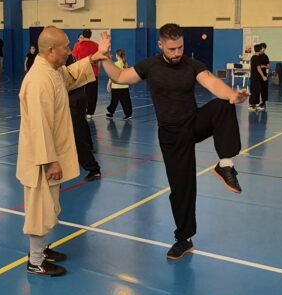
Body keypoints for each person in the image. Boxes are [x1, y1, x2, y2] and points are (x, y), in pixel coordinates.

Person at [97, 23, 249, 261]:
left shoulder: (191, 65)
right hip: (171, 135)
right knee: (182, 189)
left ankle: (225, 165)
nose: (177, 53)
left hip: (193, 123)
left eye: (180, 47)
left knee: (223, 105)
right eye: (171, 49)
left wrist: (233, 95)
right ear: (161, 45)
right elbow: (119, 76)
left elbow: (211, 81)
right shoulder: (150, 66)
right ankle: (184, 239)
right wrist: (103, 56)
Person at [16, 26, 110, 277]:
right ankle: (35, 261)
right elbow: (39, 126)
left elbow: (69, 76)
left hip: (48, 155)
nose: (69, 51)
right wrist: (50, 161)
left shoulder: (53, 71)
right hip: (40, 160)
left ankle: (42, 249)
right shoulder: (38, 80)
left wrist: (94, 58)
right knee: (39, 210)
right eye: (66, 47)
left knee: (48, 206)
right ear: (51, 50)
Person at [67, 53, 102, 182]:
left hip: (74, 99)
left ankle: (93, 168)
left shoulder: (65, 59)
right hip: (78, 97)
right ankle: (89, 146)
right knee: (81, 126)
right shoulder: (70, 58)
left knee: (77, 135)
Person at [72, 29, 100, 119]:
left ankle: (81, 110)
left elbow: (74, 59)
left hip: (81, 72)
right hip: (93, 72)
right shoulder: (96, 45)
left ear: (83, 35)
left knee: (80, 92)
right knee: (92, 93)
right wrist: (98, 69)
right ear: (90, 35)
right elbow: (98, 59)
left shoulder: (77, 45)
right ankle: (90, 112)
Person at [105, 49, 133, 120]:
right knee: (126, 101)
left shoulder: (116, 64)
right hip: (124, 86)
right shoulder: (125, 63)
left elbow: (112, 75)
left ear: (117, 55)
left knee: (114, 101)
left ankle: (111, 112)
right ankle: (128, 114)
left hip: (116, 86)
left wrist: (108, 84)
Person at [249, 44, 267, 111]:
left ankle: (255, 104)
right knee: (254, 91)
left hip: (256, 77)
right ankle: (251, 105)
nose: (262, 50)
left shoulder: (255, 57)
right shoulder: (255, 57)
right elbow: (258, 68)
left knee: (257, 90)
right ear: (259, 50)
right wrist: (263, 76)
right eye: (261, 49)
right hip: (255, 78)